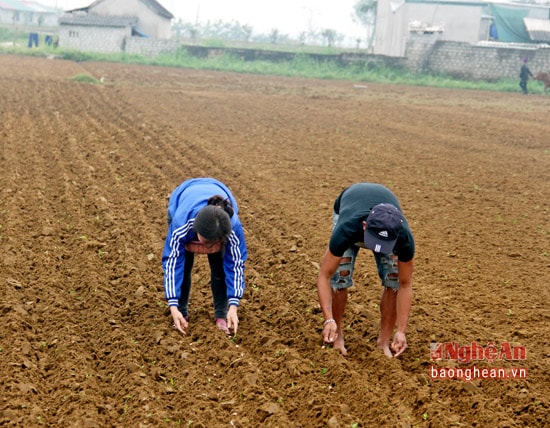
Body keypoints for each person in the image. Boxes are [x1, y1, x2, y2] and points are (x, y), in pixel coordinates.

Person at [316, 183, 415, 358]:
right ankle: (336, 335)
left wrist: (401, 330)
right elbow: (325, 275)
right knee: (340, 277)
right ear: (364, 226)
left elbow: (405, 285)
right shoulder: (346, 228)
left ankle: (383, 342)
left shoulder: (403, 237)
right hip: (349, 206)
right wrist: (328, 319)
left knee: (393, 279)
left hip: (384, 223)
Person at [162, 178, 247, 335]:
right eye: (207, 242)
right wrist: (172, 306)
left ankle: (222, 315)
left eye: (215, 243)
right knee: (184, 264)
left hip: (219, 192)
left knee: (220, 266)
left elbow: (236, 264)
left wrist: (233, 306)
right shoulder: (181, 224)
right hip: (183, 198)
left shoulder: (232, 227)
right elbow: (173, 263)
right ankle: (181, 312)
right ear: (196, 231)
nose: (209, 247)